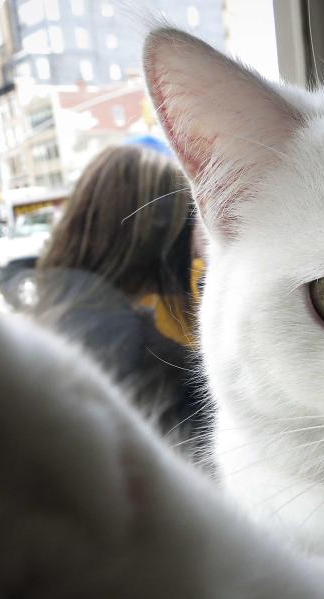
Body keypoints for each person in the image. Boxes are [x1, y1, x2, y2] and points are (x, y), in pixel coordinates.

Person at [34, 144, 206, 442]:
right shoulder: (150, 361)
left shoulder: (54, 320)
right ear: (159, 235)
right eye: (190, 218)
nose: (194, 242)